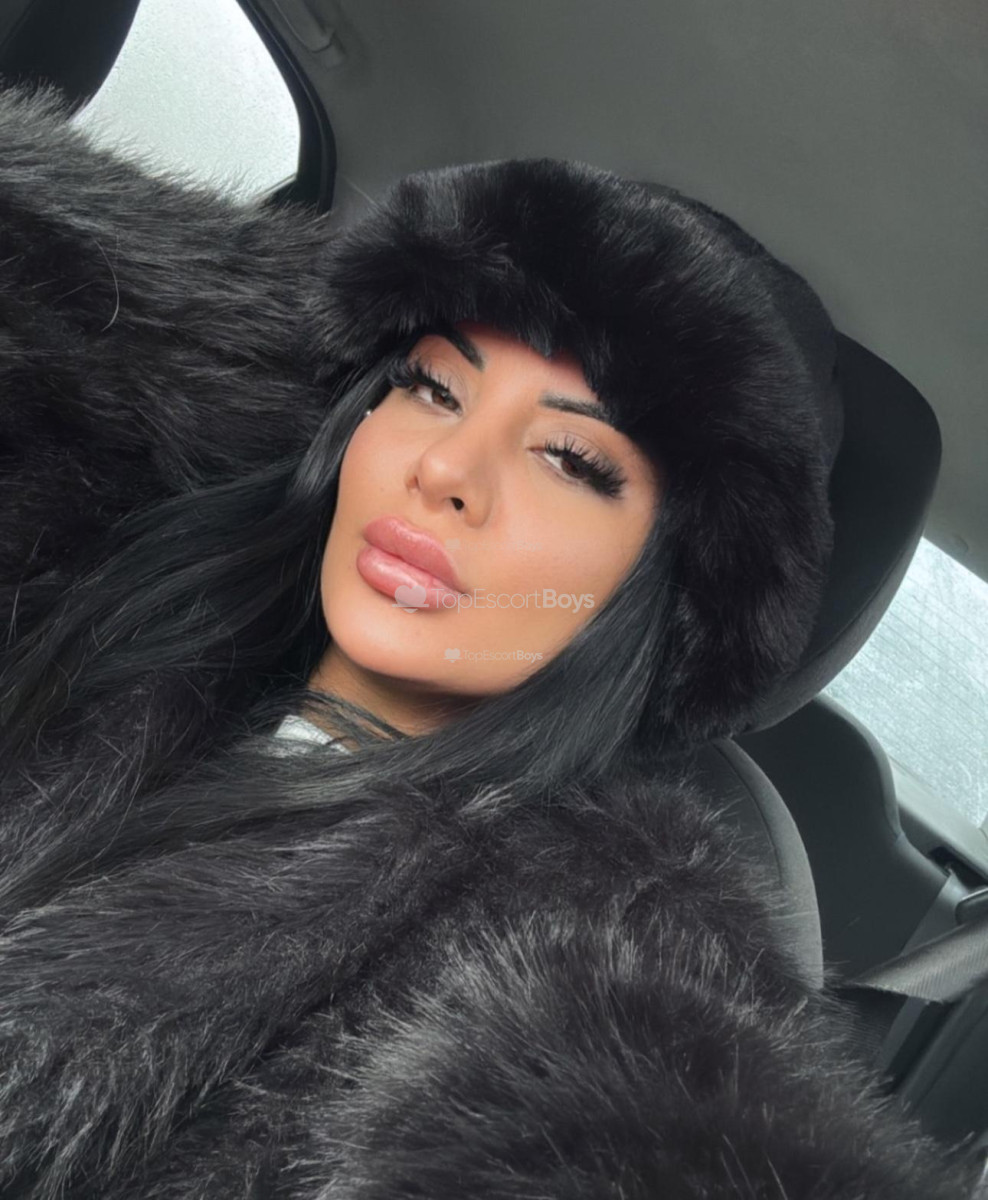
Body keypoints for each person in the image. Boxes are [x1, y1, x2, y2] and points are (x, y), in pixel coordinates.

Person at [0, 81, 983, 1199]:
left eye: (572, 459)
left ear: (664, 592)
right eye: (430, 386)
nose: (445, 470)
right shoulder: (103, 571)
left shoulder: (588, 936)